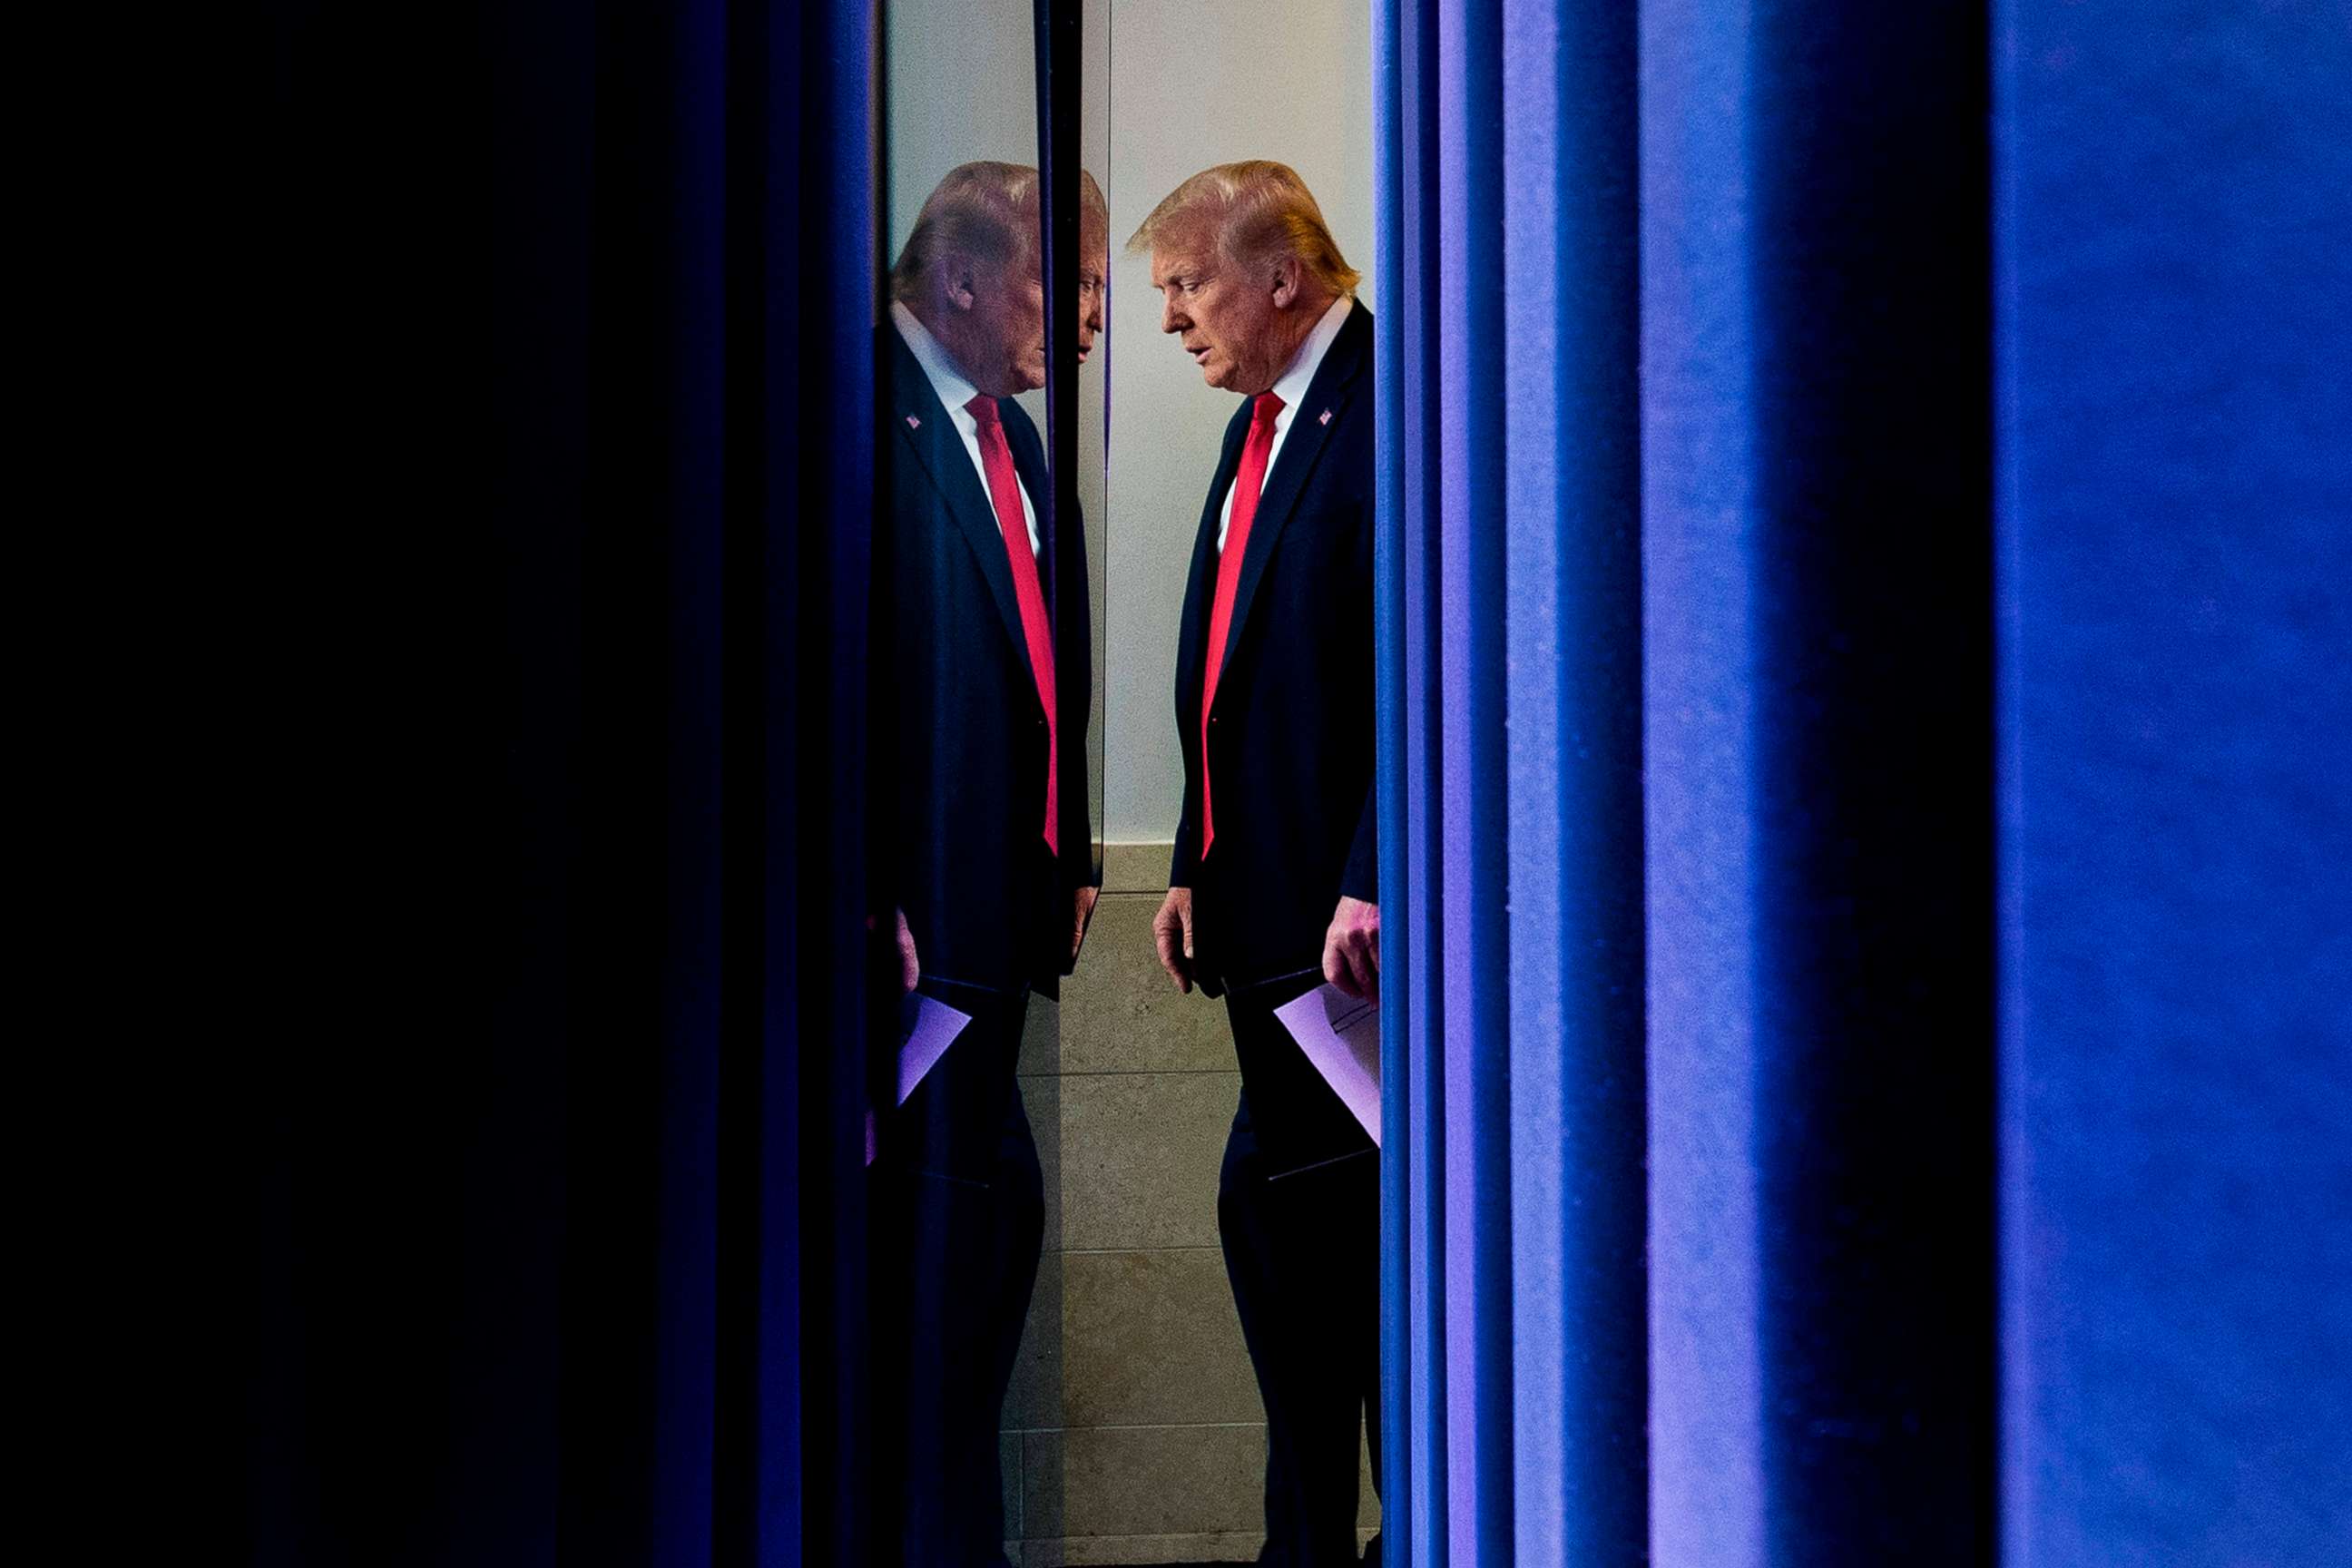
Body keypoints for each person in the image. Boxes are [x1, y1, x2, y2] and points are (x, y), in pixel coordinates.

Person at [1132, 160, 1382, 1566]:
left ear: (1280, 276)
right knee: (1287, 1239)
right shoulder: (1262, 421)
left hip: (1351, 936)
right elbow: (1235, 664)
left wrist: (1379, 868)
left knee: (1359, 1264)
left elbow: (1443, 661)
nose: (1170, 318)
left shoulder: (1398, 403)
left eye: (1187, 284)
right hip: (1262, 918)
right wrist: (1190, 860)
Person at [868, 159, 1106, 1567]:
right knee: (931, 1273)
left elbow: (1037, 662)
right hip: (903, 949)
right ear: (961, 278)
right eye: (1058, 282)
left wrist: (1064, 845)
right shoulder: (856, 417)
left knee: (978, 1256)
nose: (1083, 317)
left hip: (992, 934)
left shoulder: (1008, 437)